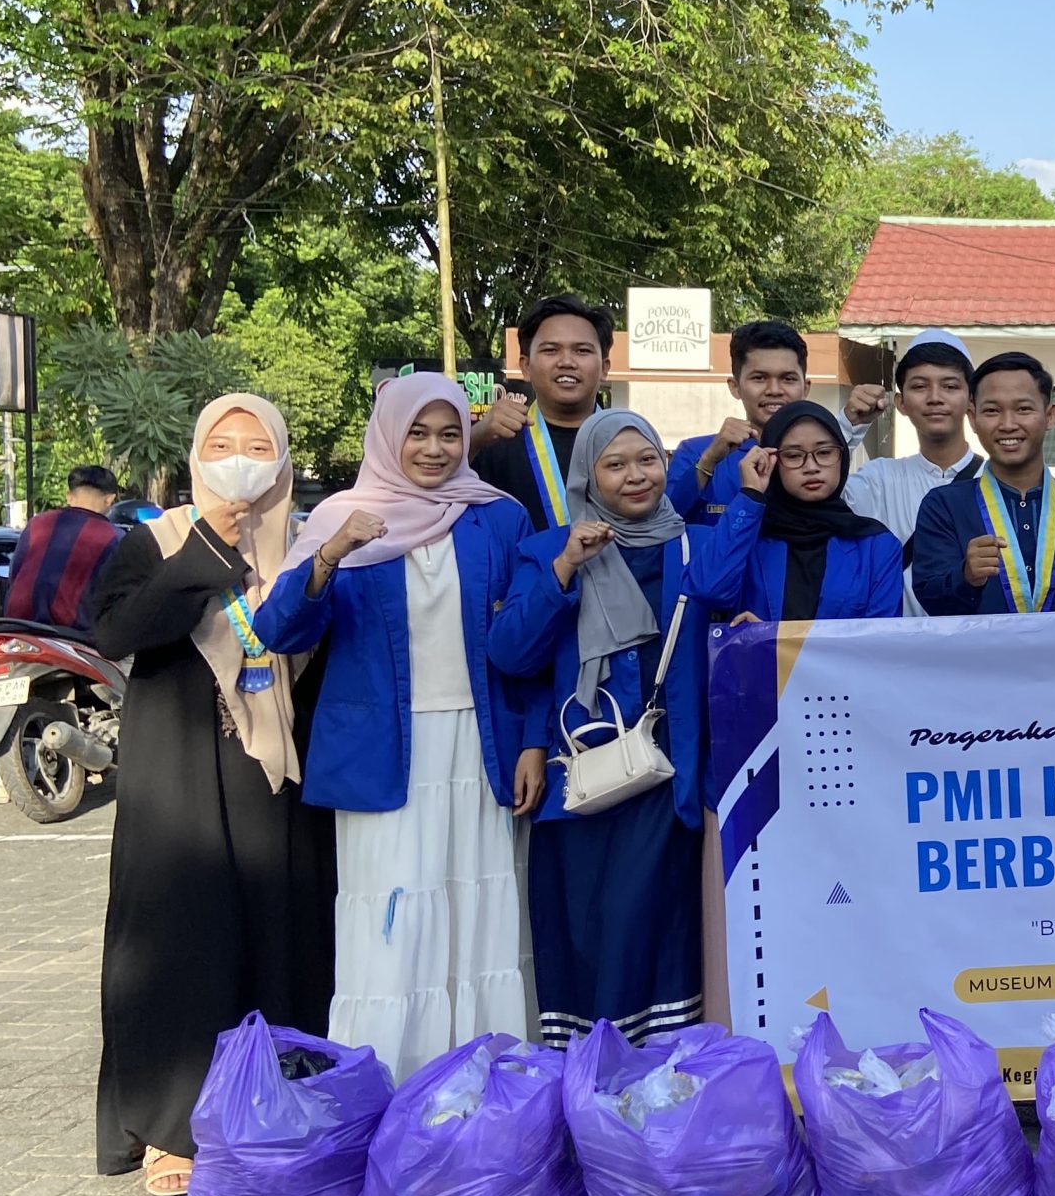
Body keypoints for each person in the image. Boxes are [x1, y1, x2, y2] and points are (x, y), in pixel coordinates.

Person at [255, 375, 541, 1082]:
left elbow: (531, 640)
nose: (435, 449)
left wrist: (534, 740)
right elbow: (279, 630)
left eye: (449, 434)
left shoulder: (497, 517)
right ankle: (389, 1087)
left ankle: (484, 1086)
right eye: (417, 433)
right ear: (388, 435)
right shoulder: (342, 517)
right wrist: (329, 556)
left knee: (480, 915)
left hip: (482, 747)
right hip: (384, 753)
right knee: (392, 918)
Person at [91, 396, 333, 1196]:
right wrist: (205, 548)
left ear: (283, 459)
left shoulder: (309, 540)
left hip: (282, 775)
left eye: (257, 447)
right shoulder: (154, 540)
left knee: (280, 932)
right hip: (179, 772)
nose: (239, 460)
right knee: (181, 938)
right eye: (222, 444)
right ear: (197, 456)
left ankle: (278, 1102)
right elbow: (119, 634)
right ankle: (172, 1129)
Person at [491, 411, 705, 1051]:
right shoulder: (549, 549)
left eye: (647, 459)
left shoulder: (693, 547)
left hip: (671, 771)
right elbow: (512, 654)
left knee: (654, 922)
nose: (635, 475)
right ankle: (592, 1067)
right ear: (588, 475)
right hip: (581, 775)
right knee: (587, 924)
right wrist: (564, 569)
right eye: (615, 464)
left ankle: (657, 1069)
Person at [684, 400, 903, 622]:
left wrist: (770, 637)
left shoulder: (876, 545)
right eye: (793, 455)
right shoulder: (747, 534)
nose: (811, 467)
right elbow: (707, 590)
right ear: (772, 461)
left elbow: (881, 637)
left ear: (843, 457)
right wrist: (750, 495)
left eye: (824, 452)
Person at [914, 352, 1055, 617]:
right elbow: (930, 601)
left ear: (1050, 416)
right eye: (992, 411)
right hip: (979, 646)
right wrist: (966, 576)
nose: (1008, 425)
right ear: (972, 418)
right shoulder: (944, 505)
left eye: (1023, 409)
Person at [668, 320, 886, 526]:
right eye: (759, 378)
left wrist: (850, 421)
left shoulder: (821, 459)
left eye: (788, 379)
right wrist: (708, 462)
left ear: (805, 387)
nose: (774, 390)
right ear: (735, 386)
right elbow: (667, 523)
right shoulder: (697, 453)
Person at [846, 329, 981, 616]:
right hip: (898, 641)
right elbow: (814, 494)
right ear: (900, 403)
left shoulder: (995, 479)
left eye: (950, 386)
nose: (935, 398)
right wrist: (849, 425)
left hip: (978, 640)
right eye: (920, 386)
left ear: (971, 399)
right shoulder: (880, 479)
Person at [469, 294, 615, 530]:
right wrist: (474, 439)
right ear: (526, 366)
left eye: (582, 350)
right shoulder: (494, 442)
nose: (566, 362)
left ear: (604, 368)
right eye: (551, 350)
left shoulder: (630, 441)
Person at [3, 464, 123, 630]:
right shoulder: (114, 537)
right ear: (110, 499)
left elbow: (15, 572)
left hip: (15, 625)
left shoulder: (37, 524)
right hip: (74, 632)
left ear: (69, 497)